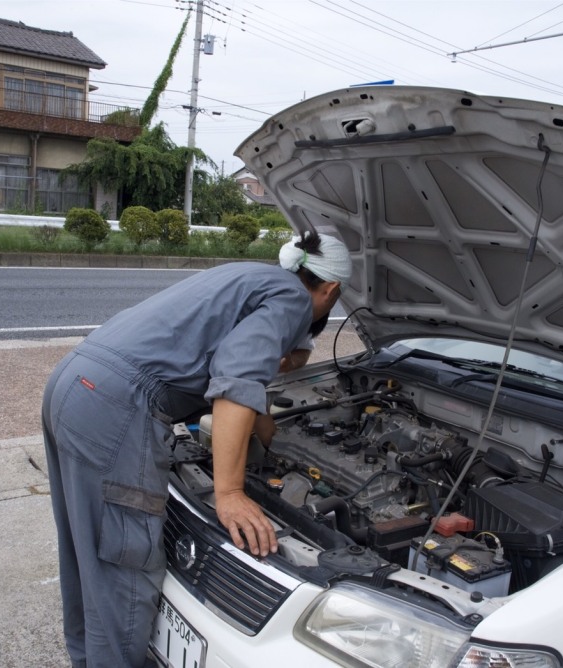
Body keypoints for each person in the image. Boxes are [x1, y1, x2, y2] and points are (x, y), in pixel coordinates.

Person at [41, 229, 352, 668]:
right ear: (332, 288)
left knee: (86, 552)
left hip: (75, 383)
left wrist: (271, 436)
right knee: (123, 565)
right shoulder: (295, 300)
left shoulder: (250, 276)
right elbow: (238, 383)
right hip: (116, 406)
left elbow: (246, 378)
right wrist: (228, 493)